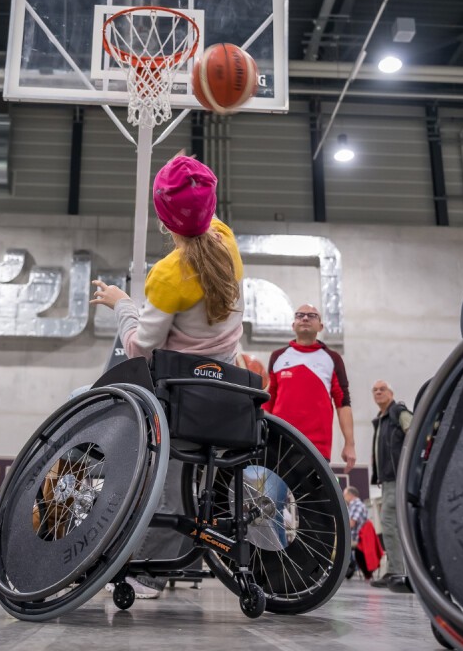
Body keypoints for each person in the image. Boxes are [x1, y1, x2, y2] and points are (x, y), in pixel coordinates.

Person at [91, 153, 244, 599]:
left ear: (164, 219)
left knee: (85, 400)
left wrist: (122, 303)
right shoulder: (227, 238)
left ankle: (130, 558)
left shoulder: (168, 275)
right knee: (184, 478)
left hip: (180, 393)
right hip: (227, 384)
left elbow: (141, 344)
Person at [261, 305, 356, 472]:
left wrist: (349, 444)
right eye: (300, 315)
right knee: (273, 498)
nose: (305, 318)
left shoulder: (332, 358)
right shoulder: (277, 357)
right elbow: (268, 402)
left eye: (311, 315)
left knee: (313, 498)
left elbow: (343, 403)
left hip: (316, 447)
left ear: (320, 326)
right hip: (278, 443)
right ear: (293, 325)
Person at [369, 380, 412, 592]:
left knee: (388, 521)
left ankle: (397, 571)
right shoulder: (382, 419)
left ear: (391, 392)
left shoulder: (398, 412)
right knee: (392, 523)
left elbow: (415, 433)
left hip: (398, 478)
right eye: (375, 390)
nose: (378, 392)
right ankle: (397, 569)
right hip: (387, 481)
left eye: (382, 389)